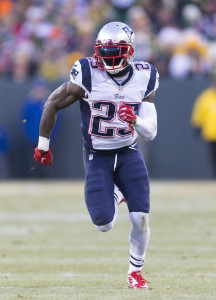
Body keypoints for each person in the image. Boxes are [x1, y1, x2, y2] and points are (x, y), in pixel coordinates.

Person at [33, 22, 159, 289]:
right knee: (104, 224)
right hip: (97, 155)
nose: (110, 55)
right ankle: (117, 194)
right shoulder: (87, 73)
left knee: (141, 217)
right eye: (105, 50)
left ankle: (134, 272)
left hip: (128, 151)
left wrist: (135, 119)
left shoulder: (145, 76)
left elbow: (151, 132)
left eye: (116, 49)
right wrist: (43, 143)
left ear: (130, 51)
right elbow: (53, 102)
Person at [191, 73, 216, 178]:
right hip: (211, 134)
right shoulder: (206, 97)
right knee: (213, 158)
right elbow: (199, 112)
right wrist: (197, 126)